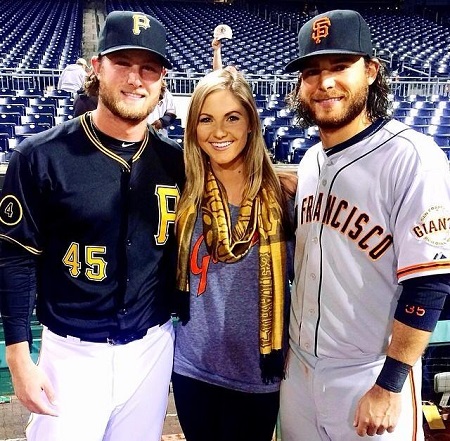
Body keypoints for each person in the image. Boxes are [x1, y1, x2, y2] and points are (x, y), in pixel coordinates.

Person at [0, 10, 184, 441]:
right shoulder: (41, 155)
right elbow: (14, 259)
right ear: (97, 67)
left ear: (162, 82)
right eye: (122, 63)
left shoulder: (178, 161)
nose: (135, 79)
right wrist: (19, 357)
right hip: (69, 354)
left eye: (149, 68)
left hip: (152, 349)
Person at [279, 9, 450, 441]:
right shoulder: (311, 159)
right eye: (312, 71)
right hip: (299, 369)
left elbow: (429, 285)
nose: (325, 82)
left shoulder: (413, 158)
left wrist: (390, 384)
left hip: (369, 374)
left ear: (371, 71)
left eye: (340, 66)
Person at [172, 68, 295, 441]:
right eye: (206, 119)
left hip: (258, 374)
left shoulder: (287, 197)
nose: (219, 132)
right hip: (193, 369)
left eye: (232, 118)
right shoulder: (182, 192)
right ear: (193, 127)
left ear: (252, 125)